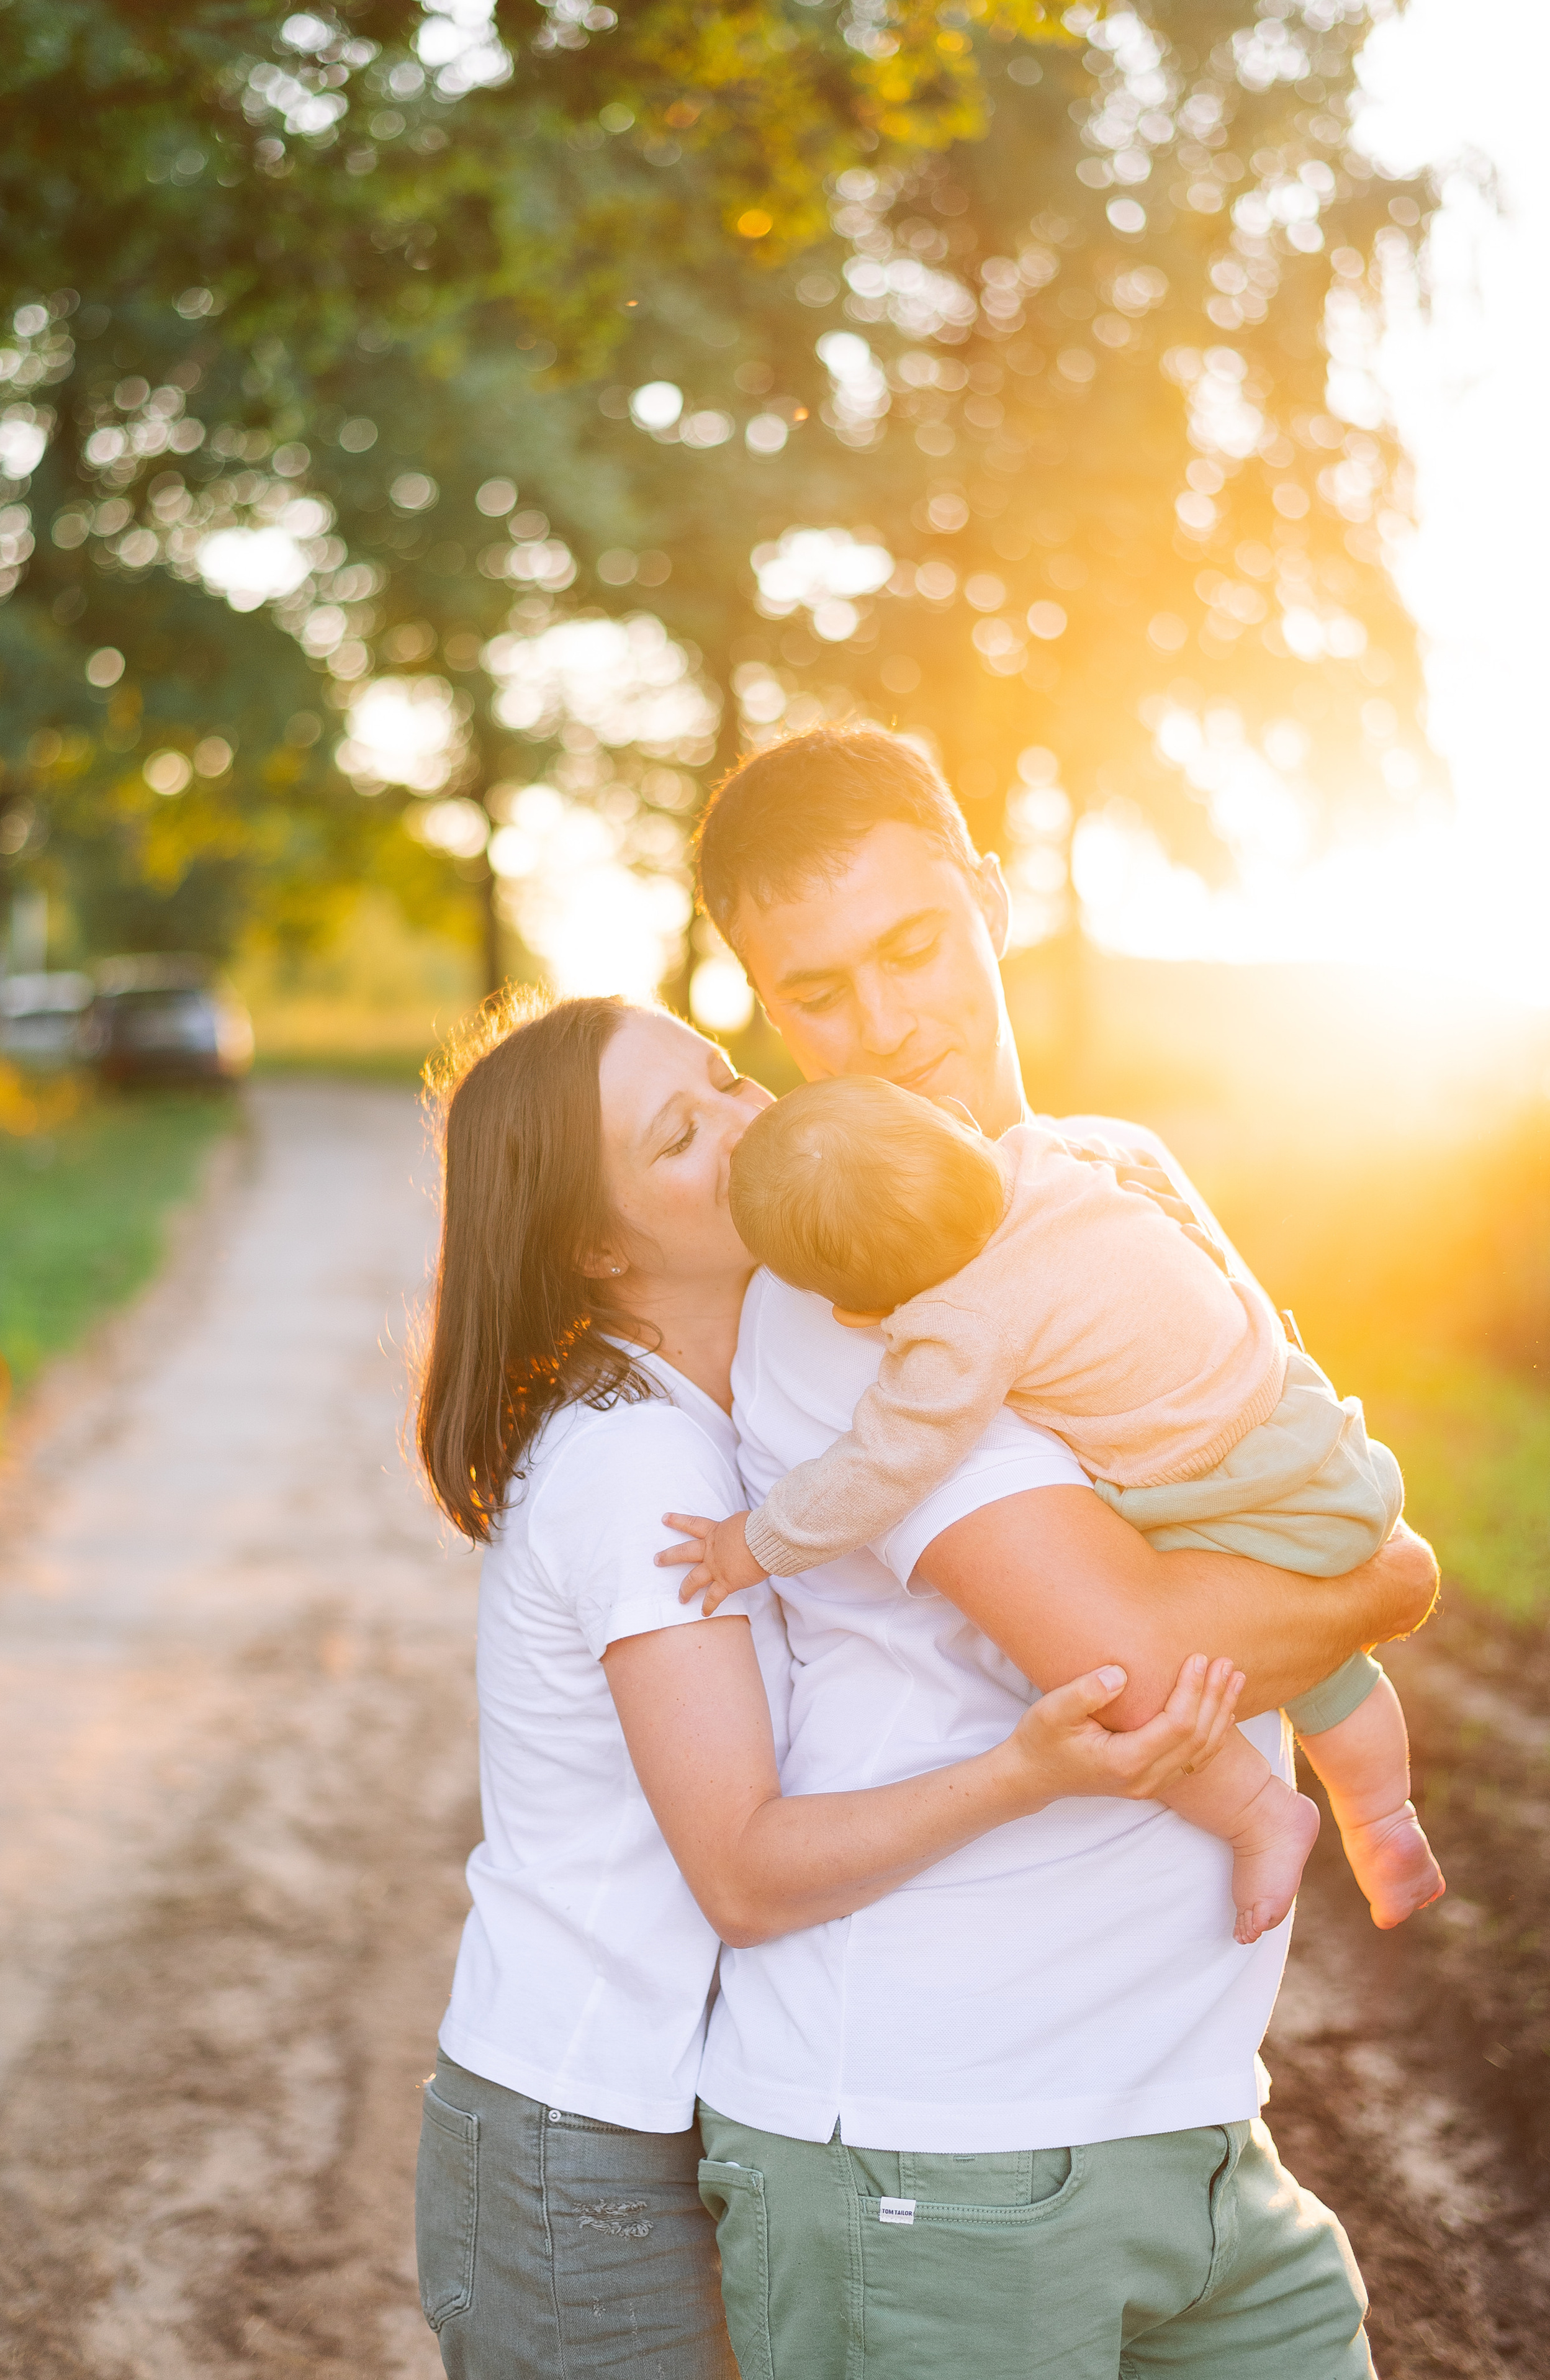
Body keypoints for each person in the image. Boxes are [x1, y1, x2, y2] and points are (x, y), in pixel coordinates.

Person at [660, 723, 1437, 2379]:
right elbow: (1146, 1659)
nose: (883, 1025)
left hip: (1196, 2127)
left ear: (990, 901)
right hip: (935, 2156)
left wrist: (1370, 1575)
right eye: (816, 993)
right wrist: (1383, 1589)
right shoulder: (847, 1287)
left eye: (914, 947)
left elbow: (1268, 1445)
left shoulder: (1120, 1175)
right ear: (763, 1007)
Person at [408, 986, 1244, 2380]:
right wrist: (1020, 1774)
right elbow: (739, 1870)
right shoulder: (643, 1469)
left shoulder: (738, 1413)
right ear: (600, 1245)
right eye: (683, 1135)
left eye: (727, 1078)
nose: (748, 1121)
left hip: (655, 2120)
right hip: (582, 2146)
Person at [670, 1071, 1443, 1945]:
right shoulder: (1052, 1155)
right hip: (1312, 1433)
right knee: (1328, 1664)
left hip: (1216, 1487)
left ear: (858, 1311)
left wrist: (754, 1542)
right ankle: (1386, 1814)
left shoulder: (958, 1328)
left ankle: (1261, 1811)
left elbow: (878, 1463)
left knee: (1113, 1690)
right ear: (957, 1121)